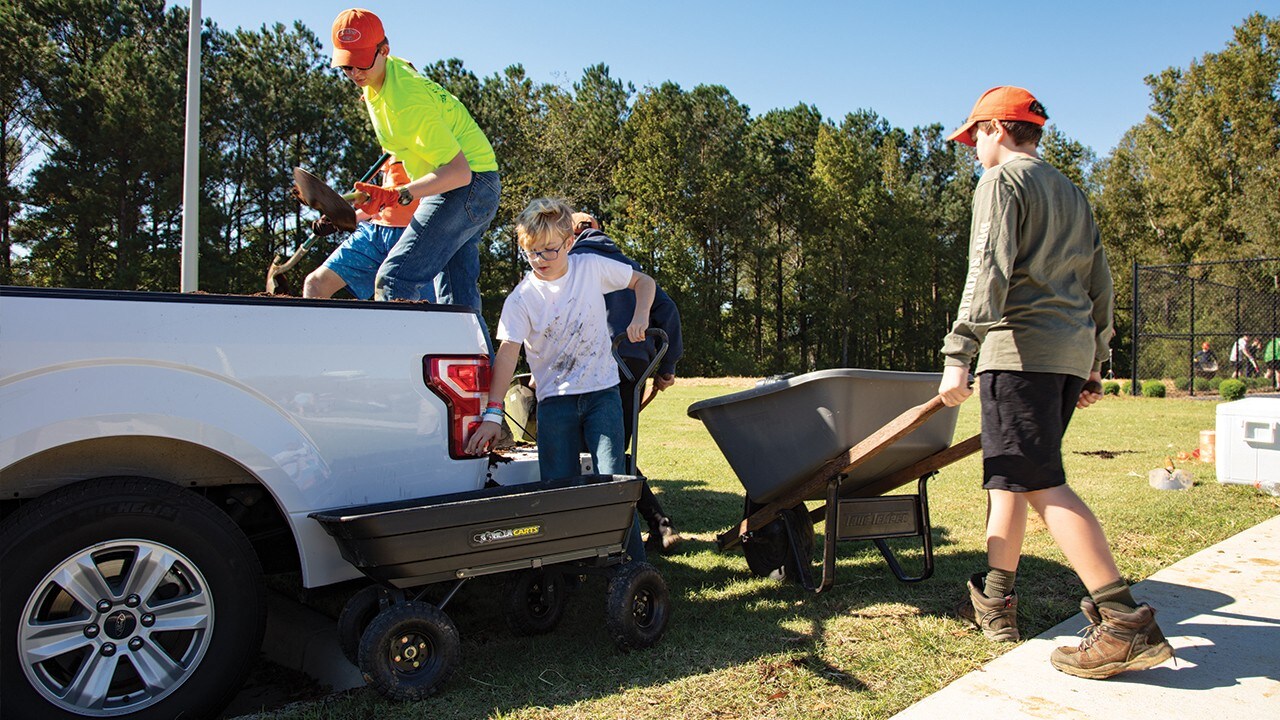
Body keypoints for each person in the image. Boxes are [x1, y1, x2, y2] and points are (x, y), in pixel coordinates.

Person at [938, 86, 1173, 679]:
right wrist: (1095, 360)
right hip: (1066, 352)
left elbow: (987, 268)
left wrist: (959, 350)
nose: (972, 151)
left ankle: (1123, 624)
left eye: (974, 138)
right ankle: (996, 601)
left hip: (1018, 351)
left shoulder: (1001, 183)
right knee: (1010, 480)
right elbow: (1101, 280)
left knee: (1039, 483)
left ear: (995, 128)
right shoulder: (1071, 190)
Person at [466, 199, 656, 562]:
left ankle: (632, 567)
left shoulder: (590, 267)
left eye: (550, 250)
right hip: (556, 404)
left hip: (602, 394)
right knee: (558, 488)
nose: (541, 259)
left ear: (569, 243)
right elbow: (507, 354)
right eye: (532, 252)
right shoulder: (522, 298)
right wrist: (492, 414)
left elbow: (643, 282)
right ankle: (565, 567)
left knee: (613, 481)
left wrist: (640, 316)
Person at [328, 8, 500, 325]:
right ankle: (481, 373)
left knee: (394, 280)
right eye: (346, 65)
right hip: (471, 184)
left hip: (468, 184)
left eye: (363, 61)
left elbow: (458, 172)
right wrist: (364, 208)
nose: (355, 73)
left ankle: (400, 372)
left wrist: (400, 194)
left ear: (384, 50)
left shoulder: (406, 98)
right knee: (457, 303)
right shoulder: (378, 81)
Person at [569, 212, 685, 551]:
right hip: (634, 363)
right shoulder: (628, 265)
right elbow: (669, 311)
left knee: (599, 451)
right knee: (613, 450)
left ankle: (640, 529)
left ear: (573, 232)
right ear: (599, 229)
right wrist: (667, 368)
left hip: (594, 365)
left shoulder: (571, 263)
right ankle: (658, 524)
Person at [303, 155, 418, 299]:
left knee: (413, 308)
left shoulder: (432, 136)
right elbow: (384, 200)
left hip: (417, 235)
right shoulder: (389, 143)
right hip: (375, 233)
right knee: (315, 285)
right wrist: (344, 219)